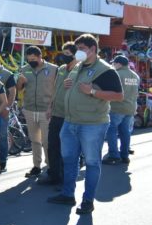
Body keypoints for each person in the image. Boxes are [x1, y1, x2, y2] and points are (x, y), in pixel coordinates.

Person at [48, 34, 123, 215]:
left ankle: (88, 201)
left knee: (91, 162)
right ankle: (68, 194)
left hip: (92, 125)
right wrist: (70, 84)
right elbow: (76, 86)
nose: (78, 52)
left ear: (93, 49)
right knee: (69, 160)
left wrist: (92, 92)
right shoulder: (78, 66)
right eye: (77, 49)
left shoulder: (105, 70)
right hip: (70, 122)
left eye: (82, 49)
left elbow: (118, 95)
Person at [16, 46, 58, 178]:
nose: (31, 62)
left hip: (46, 110)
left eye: (33, 59)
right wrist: (20, 82)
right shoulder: (24, 69)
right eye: (29, 60)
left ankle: (51, 167)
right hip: (29, 110)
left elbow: (58, 90)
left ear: (40, 56)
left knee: (47, 141)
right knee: (34, 140)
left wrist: (52, 107)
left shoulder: (53, 69)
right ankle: (36, 166)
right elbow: (19, 89)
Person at [39, 42, 77, 186]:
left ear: (75, 55)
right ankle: (54, 175)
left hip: (69, 115)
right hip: (56, 113)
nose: (63, 56)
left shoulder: (79, 71)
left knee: (65, 149)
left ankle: (64, 179)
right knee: (52, 145)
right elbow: (55, 89)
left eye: (67, 54)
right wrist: (50, 107)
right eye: (63, 52)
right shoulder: (61, 69)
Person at [103, 55, 139, 165]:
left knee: (111, 131)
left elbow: (108, 90)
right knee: (125, 132)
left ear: (119, 64)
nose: (113, 65)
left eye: (114, 63)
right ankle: (125, 156)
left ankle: (114, 155)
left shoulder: (116, 74)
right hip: (130, 108)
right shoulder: (135, 76)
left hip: (117, 107)